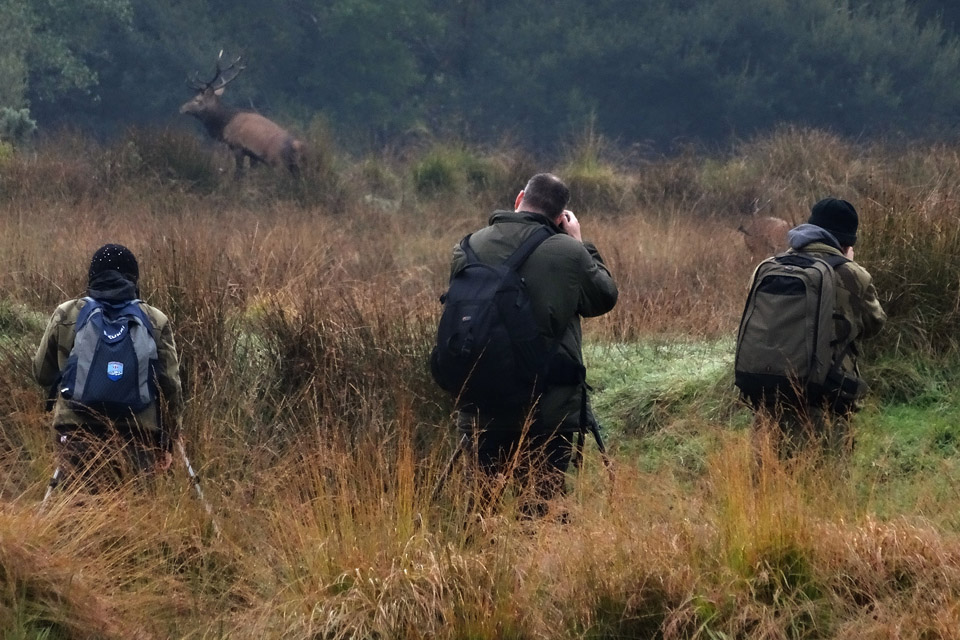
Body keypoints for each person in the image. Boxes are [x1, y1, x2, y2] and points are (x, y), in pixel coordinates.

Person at [449, 173, 618, 516]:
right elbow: (604, 297)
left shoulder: (468, 246)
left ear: (519, 198)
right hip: (547, 409)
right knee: (543, 510)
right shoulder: (567, 251)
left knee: (483, 509)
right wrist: (580, 242)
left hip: (482, 404)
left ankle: (474, 568)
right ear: (560, 218)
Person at [34, 244, 183, 489]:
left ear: (92, 277)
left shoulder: (67, 312)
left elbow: (42, 374)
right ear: (134, 279)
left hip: (76, 433)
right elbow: (170, 386)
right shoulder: (155, 319)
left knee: (77, 515)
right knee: (136, 515)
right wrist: (168, 439)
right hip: (138, 435)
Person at [750, 198, 886, 456]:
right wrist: (850, 265)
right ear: (847, 243)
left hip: (769, 397)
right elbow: (874, 324)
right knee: (825, 489)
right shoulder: (852, 275)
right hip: (825, 401)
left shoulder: (767, 267)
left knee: (766, 488)